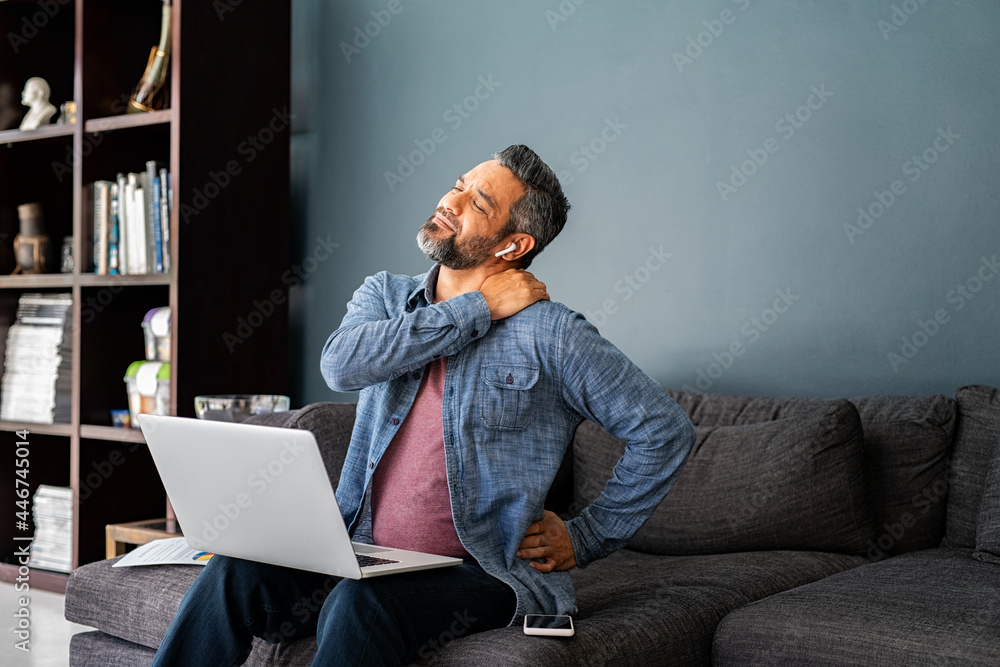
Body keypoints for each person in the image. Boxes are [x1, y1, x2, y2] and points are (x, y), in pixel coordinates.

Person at [151, 145, 695, 666]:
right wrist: (475, 310)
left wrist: (588, 535)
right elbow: (341, 365)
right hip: (357, 552)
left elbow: (664, 430)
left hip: (481, 573)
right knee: (234, 571)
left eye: (478, 202)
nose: (450, 202)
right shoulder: (385, 296)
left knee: (363, 601)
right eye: (458, 186)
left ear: (513, 246)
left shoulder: (550, 334)